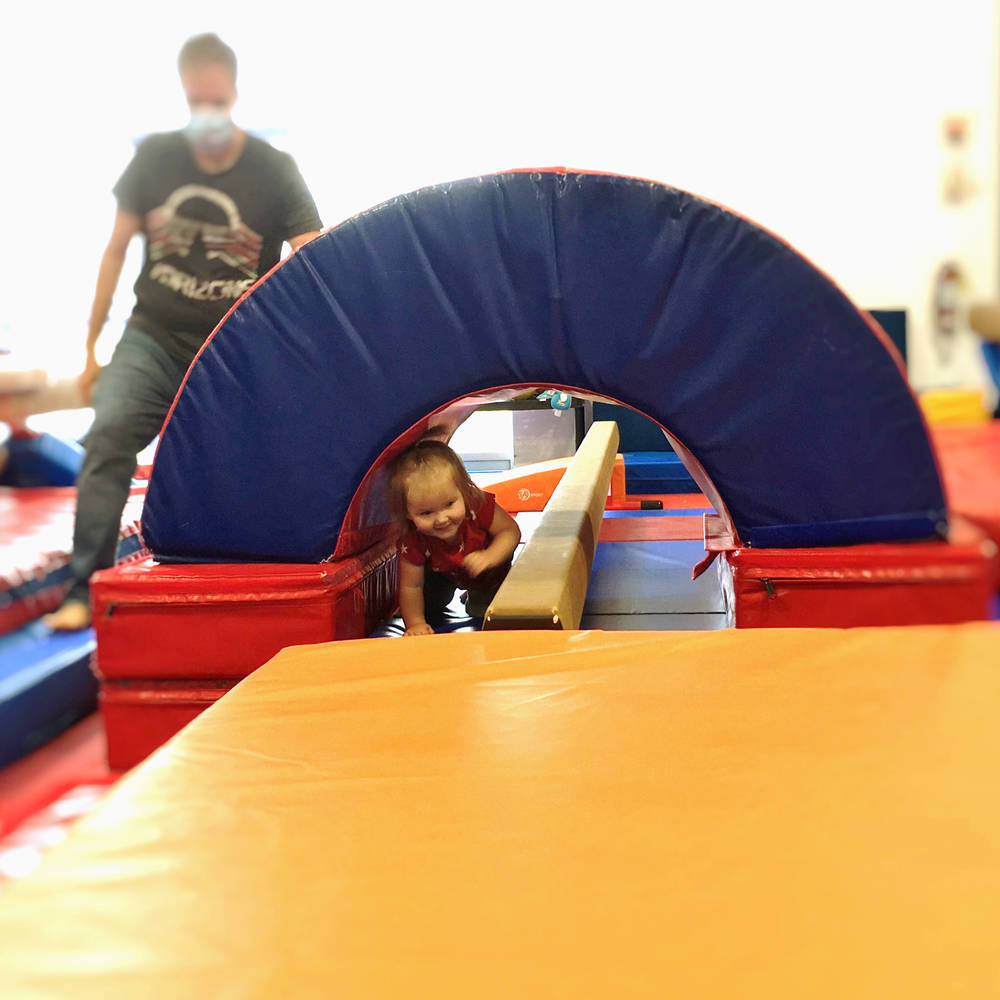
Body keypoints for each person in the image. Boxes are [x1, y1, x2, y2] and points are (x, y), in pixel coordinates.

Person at [45, 33, 322, 630]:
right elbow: (115, 251)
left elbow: (314, 260)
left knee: (252, 455)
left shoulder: (274, 171)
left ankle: (252, 580)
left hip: (230, 344)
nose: (208, 117)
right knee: (108, 434)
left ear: (235, 96)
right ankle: (79, 590)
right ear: (184, 96)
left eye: (217, 104)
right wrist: (91, 349)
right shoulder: (156, 160)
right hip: (153, 334)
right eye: (197, 103)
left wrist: (303, 351)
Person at [387, 440, 521, 636]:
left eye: (449, 504)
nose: (441, 519)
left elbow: (510, 532)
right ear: (408, 513)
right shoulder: (413, 539)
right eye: (426, 513)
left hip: (491, 575)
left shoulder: (477, 505)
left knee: (482, 613)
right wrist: (415, 623)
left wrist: (490, 556)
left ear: (464, 492)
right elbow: (410, 585)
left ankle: (476, 595)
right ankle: (449, 595)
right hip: (446, 573)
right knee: (428, 602)